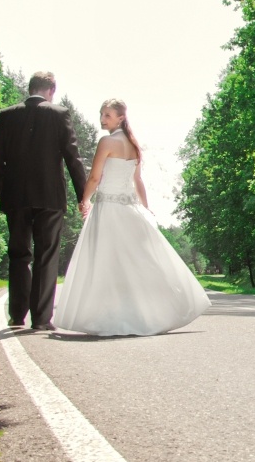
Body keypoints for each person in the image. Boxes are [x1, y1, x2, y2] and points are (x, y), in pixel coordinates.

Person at [54, 99, 211, 336]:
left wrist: (84, 200)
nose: (102, 119)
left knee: (107, 264)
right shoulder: (134, 145)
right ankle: (145, 313)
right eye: (101, 114)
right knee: (134, 265)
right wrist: (145, 209)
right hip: (129, 209)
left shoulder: (106, 141)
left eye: (107, 115)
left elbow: (95, 177)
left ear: (120, 118)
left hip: (107, 209)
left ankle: (112, 317)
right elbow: (138, 181)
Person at [0, 72, 88, 330]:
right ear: (51, 91)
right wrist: (83, 197)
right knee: (46, 255)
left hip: (16, 198)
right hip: (49, 197)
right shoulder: (59, 114)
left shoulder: (7, 115)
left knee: (19, 254)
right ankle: (42, 319)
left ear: (30, 88)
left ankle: (16, 316)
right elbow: (73, 158)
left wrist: (5, 194)